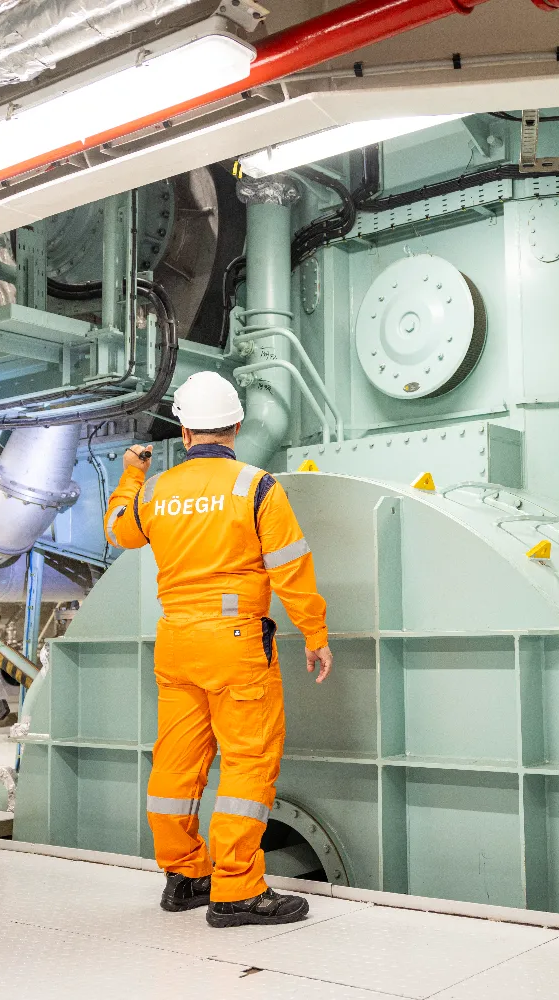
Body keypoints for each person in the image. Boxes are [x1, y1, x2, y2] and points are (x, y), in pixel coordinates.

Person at [103, 371, 332, 927]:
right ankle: (235, 890)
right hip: (235, 646)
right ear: (234, 426)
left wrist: (132, 475)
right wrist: (315, 633)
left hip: (177, 642)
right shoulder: (254, 487)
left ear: (184, 432)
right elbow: (291, 568)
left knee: (176, 766)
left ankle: (184, 876)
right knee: (247, 764)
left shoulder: (157, 490)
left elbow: (118, 530)